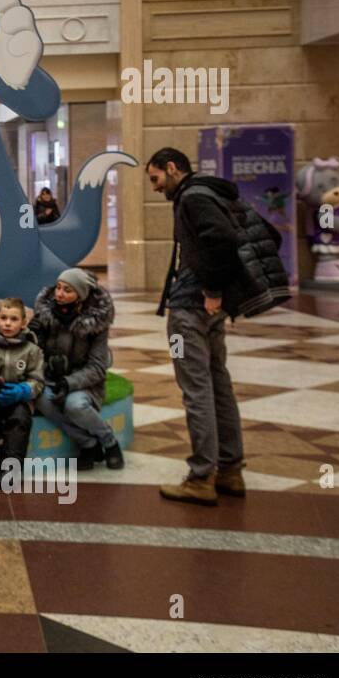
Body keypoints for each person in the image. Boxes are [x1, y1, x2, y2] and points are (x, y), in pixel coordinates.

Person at [147, 147, 250, 506]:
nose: (156, 188)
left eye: (156, 178)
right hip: (208, 312)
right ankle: (230, 469)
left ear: (172, 168)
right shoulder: (209, 192)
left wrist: (212, 289)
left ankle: (201, 476)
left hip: (189, 312)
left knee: (197, 389)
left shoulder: (191, 197)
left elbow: (222, 239)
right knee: (219, 384)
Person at [28, 268, 124, 470]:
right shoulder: (45, 314)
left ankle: (109, 442)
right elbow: (30, 356)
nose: (60, 294)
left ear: (81, 295)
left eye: (68, 290)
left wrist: (69, 383)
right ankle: (88, 444)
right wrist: (32, 336)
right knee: (39, 398)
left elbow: (98, 367)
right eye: (59, 288)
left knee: (74, 405)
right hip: (52, 379)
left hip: (85, 383)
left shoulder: (96, 323)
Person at [0, 298, 45, 463]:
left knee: (19, 420)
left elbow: (37, 380)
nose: (8, 323)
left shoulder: (33, 350)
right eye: (3, 318)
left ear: (24, 322)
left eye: (14, 319)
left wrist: (23, 391)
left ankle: (12, 465)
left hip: (19, 400)